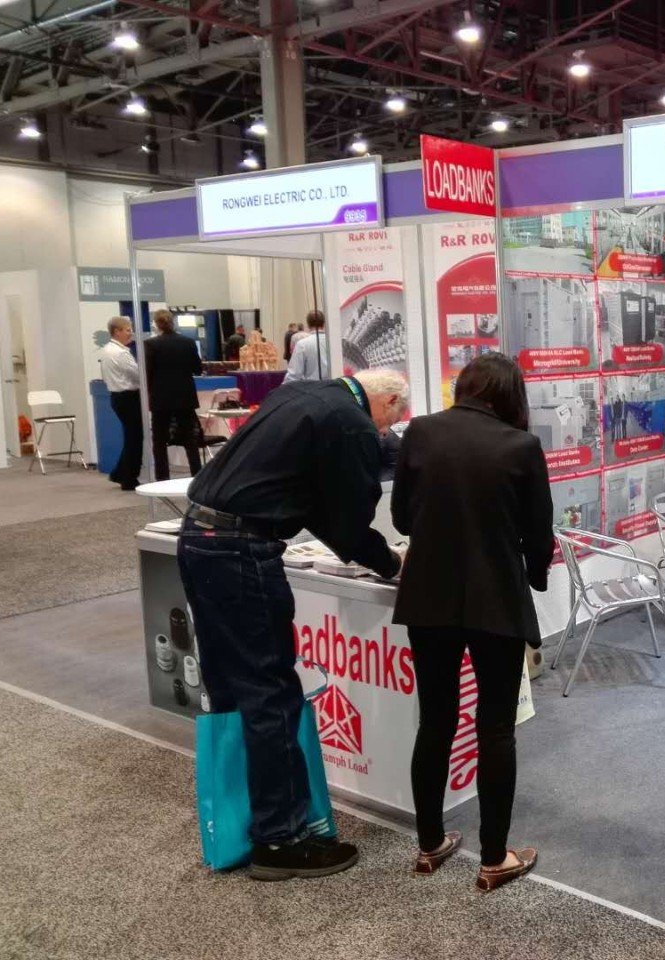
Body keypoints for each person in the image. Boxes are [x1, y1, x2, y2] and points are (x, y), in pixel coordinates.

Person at [178, 368, 409, 880]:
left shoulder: (303, 394)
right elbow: (347, 521)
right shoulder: (351, 424)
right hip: (242, 552)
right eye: (391, 420)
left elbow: (318, 509)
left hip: (198, 539)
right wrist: (391, 562)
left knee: (230, 688)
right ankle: (280, 839)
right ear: (388, 400)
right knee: (271, 693)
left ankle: (241, 822)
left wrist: (369, 552)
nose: (386, 431)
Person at [391, 354, 553, 892]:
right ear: (510, 395)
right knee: (496, 728)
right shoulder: (521, 446)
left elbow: (401, 517)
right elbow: (539, 535)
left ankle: (429, 845)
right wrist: (534, 576)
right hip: (496, 602)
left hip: (428, 600)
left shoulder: (419, 432)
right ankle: (493, 858)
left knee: (435, 721)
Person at [144, 309, 203, 480]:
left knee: (159, 440)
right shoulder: (188, 342)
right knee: (190, 439)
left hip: (161, 398)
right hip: (185, 397)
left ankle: (162, 478)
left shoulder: (151, 344)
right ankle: (197, 475)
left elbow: (148, 372)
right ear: (173, 322)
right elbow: (197, 369)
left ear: (156, 324)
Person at [101, 316, 143, 491]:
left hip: (117, 397)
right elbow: (138, 375)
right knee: (134, 438)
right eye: (127, 330)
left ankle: (120, 473)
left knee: (131, 436)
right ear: (117, 331)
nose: (130, 333)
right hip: (128, 397)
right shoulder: (121, 353)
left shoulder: (106, 350)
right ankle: (129, 478)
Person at [284, 312, 330, 383]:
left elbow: (293, 375)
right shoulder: (334, 343)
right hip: (333, 387)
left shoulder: (302, 344)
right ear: (324, 324)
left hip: (312, 387)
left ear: (308, 325)